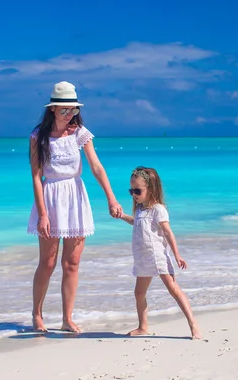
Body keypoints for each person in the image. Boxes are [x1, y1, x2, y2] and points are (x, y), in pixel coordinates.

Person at [27, 81, 123, 333]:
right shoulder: (38, 136)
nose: (69, 114)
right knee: (47, 262)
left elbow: (97, 167)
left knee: (72, 263)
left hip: (75, 196)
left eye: (73, 109)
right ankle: (37, 314)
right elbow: (36, 176)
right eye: (64, 109)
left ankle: (67, 318)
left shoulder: (80, 132)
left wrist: (111, 198)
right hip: (50, 196)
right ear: (52, 109)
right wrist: (43, 214)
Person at [118, 166, 202, 339]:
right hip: (142, 257)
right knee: (139, 293)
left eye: (137, 191)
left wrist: (177, 254)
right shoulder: (140, 209)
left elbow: (168, 232)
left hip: (158, 257)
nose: (134, 194)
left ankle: (193, 325)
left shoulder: (158, 209)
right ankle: (143, 327)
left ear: (151, 189)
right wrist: (121, 216)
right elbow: (138, 223)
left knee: (173, 289)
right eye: (131, 190)